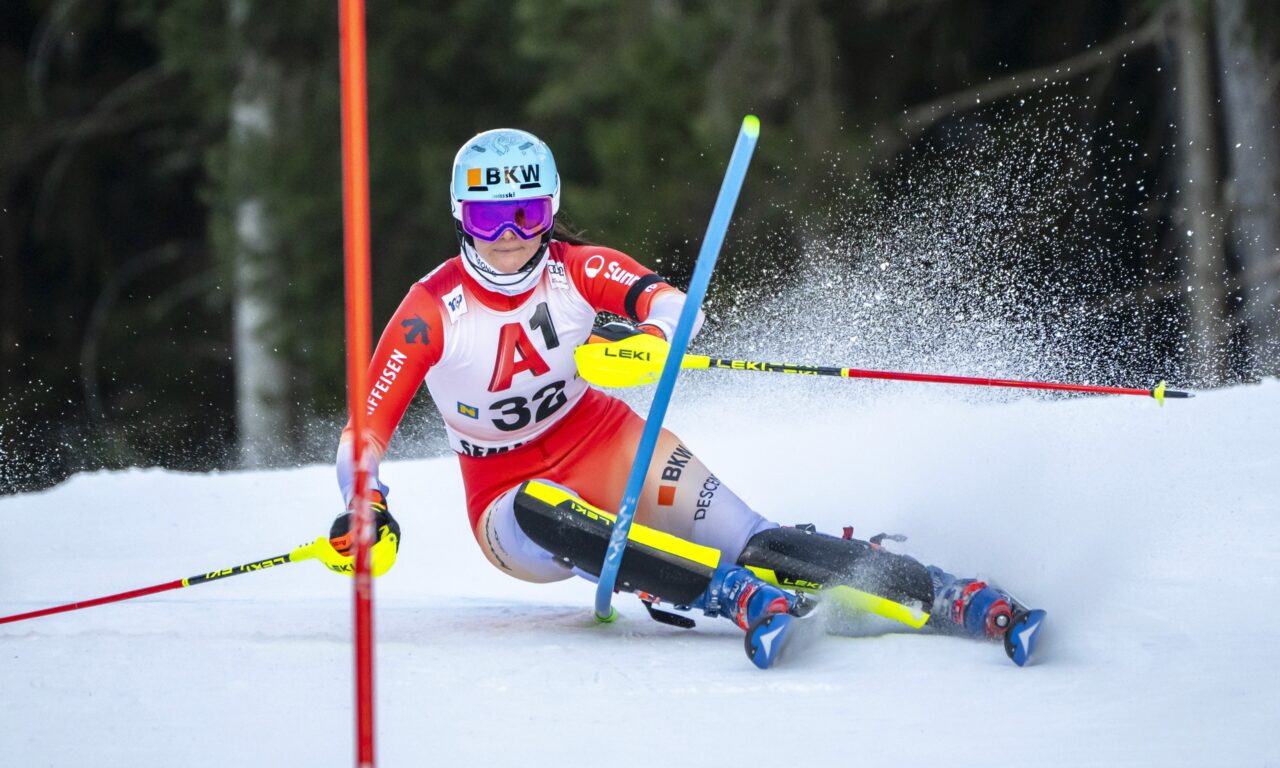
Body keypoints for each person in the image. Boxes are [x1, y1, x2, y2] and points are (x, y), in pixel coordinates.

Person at [318, 128, 1045, 669]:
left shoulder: (576, 270)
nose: (510, 240)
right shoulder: (431, 309)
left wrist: (653, 341)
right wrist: (366, 504)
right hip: (506, 497)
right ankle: (730, 596)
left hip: (601, 439)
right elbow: (365, 433)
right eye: (488, 221)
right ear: (461, 218)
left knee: (752, 537)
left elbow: (677, 306)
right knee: (546, 509)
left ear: (551, 212)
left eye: (529, 216)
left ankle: (951, 593)